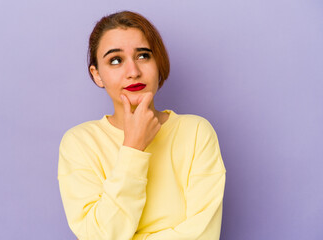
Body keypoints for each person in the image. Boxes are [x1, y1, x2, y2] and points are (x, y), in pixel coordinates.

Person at [58, 10, 226, 240]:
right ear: (97, 75)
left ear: (159, 63)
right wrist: (133, 147)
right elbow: (97, 236)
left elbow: (203, 235)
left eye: (143, 56)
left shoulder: (196, 132)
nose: (133, 72)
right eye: (115, 60)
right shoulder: (79, 143)